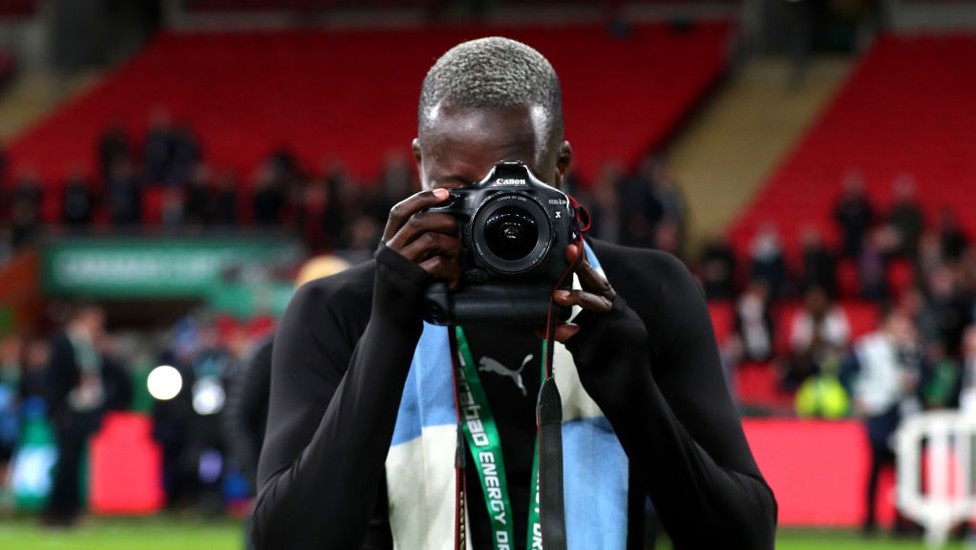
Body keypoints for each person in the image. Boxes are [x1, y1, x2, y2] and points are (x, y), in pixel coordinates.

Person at [251, 37, 776, 549]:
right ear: (419, 163)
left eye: (513, 187)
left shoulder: (644, 294)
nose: (487, 213)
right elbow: (289, 540)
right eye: (458, 187)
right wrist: (388, 329)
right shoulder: (342, 310)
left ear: (561, 169)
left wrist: (636, 397)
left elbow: (745, 539)